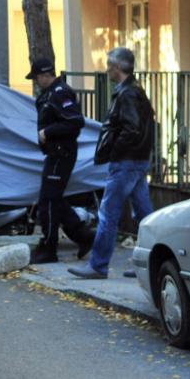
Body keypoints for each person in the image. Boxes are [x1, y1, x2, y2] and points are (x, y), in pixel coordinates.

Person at [69, 47, 155, 279]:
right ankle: (149, 266)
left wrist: (116, 152)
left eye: (109, 65)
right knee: (145, 216)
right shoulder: (135, 90)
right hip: (136, 160)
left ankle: (98, 265)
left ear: (117, 68)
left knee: (108, 214)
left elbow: (131, 128)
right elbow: (139, 127)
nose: (106, 70)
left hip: (126, 162)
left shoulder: (127, 93)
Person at [26, 58, 96, 264]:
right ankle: (83, 235)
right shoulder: (52, 93)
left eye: (37, 77)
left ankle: (49, 248)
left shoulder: (60, 92)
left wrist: (47, 132)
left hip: (61, 153)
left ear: (46, 75)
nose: (36, 81)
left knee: (47, 200)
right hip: (56, 153)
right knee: (53, 198)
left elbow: (75, 121)